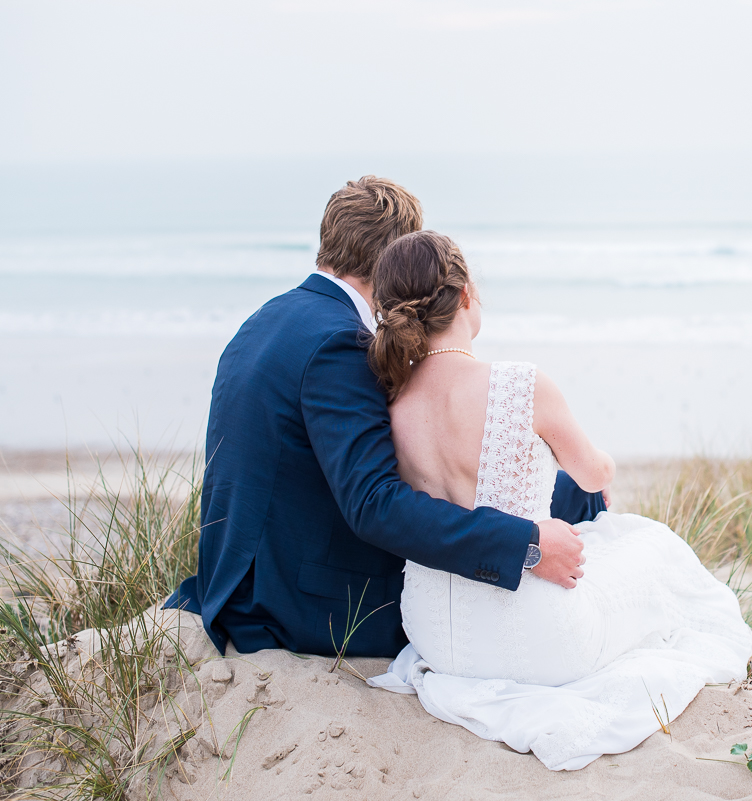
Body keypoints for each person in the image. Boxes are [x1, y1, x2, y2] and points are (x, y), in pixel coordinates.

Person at [163, 176, 604, 657]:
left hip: (243, 575)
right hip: (302, 604)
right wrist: (525, 543)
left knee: (555, 489)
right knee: (573, 492)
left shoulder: (266, 319)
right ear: (395, 258)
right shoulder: (339, 345)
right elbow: (374, 503)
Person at [365, 230, 752, 770]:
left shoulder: (391, 402)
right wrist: (604, 464)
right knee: (652, 545)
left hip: (436, 634)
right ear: (464, 296)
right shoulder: (520, 385)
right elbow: (591, 472)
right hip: (537, 634)